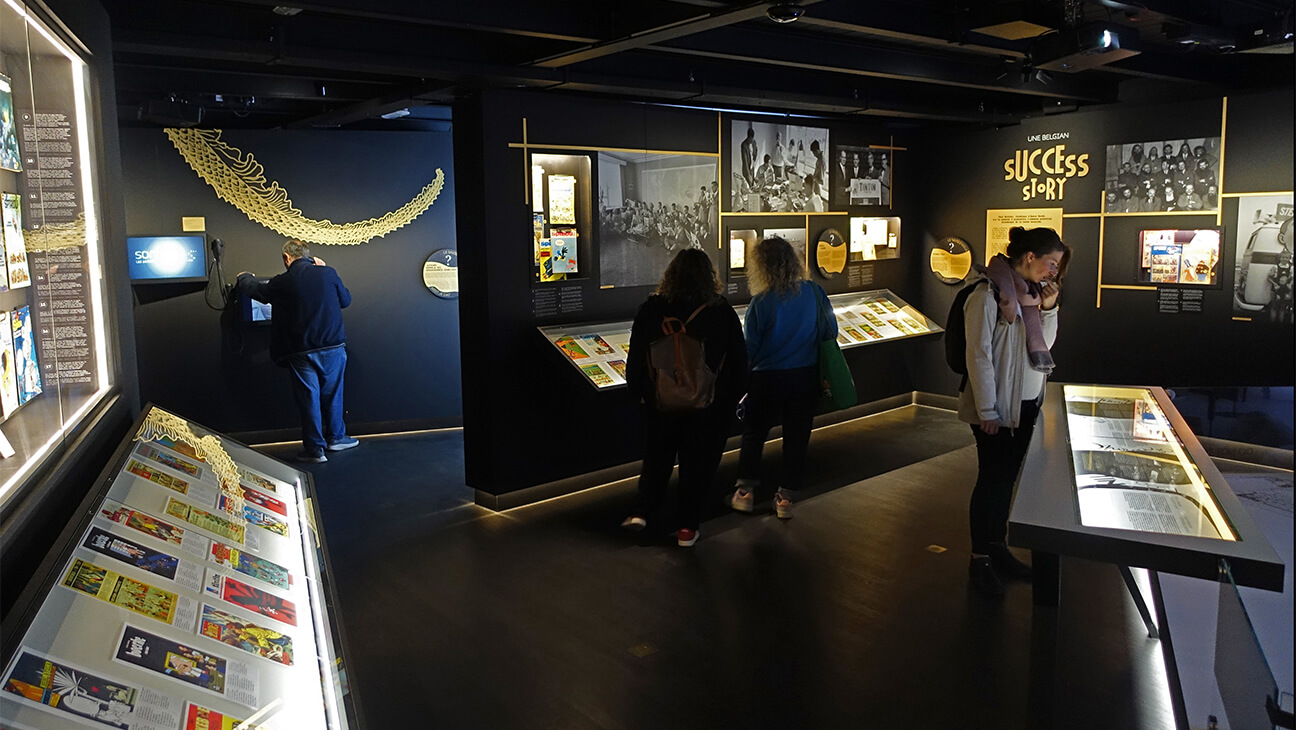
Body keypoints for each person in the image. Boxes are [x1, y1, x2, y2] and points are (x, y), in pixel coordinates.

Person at [959, 226, 1068, 597]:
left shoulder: (1032, 298)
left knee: (1005, 481)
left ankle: (997, 548)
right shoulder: (987, 294)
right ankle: (980, 558)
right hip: (996, 408)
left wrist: (1049, 310)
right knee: (991, 480)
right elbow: (979, 356)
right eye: (1051, 263)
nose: (1052, 272)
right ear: (1030, 257)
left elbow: (1043, 348)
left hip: (1024, 405)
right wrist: (986, 409)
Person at [623, 249, 747, 547]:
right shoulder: (721, 311)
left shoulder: (652, 308)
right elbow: (739, 360)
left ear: (671, 273)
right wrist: (732, 399)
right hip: (708, 406)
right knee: (697, 466)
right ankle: (686, 529)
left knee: (657, 457)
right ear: (710, 276)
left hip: (661, 401)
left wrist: (637, 392)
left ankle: (642, 512)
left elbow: (637, 354)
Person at [727, 236, 835, 519]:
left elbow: (750, 347)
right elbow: (830, 331)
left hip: (767, 380)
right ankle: (785, 499)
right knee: (797, 437)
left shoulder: (760, 303)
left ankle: (745, 493)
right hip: (804, 376)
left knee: (754, 434)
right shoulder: (814, 292)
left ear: (761, 267)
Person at [238, 239, 357, 463]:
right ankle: (336, 439)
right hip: (332, 347)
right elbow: (346, 300)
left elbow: (258, 292)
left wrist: (244, 277)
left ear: (287, 258)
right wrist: (323, 269)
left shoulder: (283, 281)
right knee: (333, 395)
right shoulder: (328, 273)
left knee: (308, 399)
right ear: (308, 255)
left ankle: (315, 450)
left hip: (300, 351)